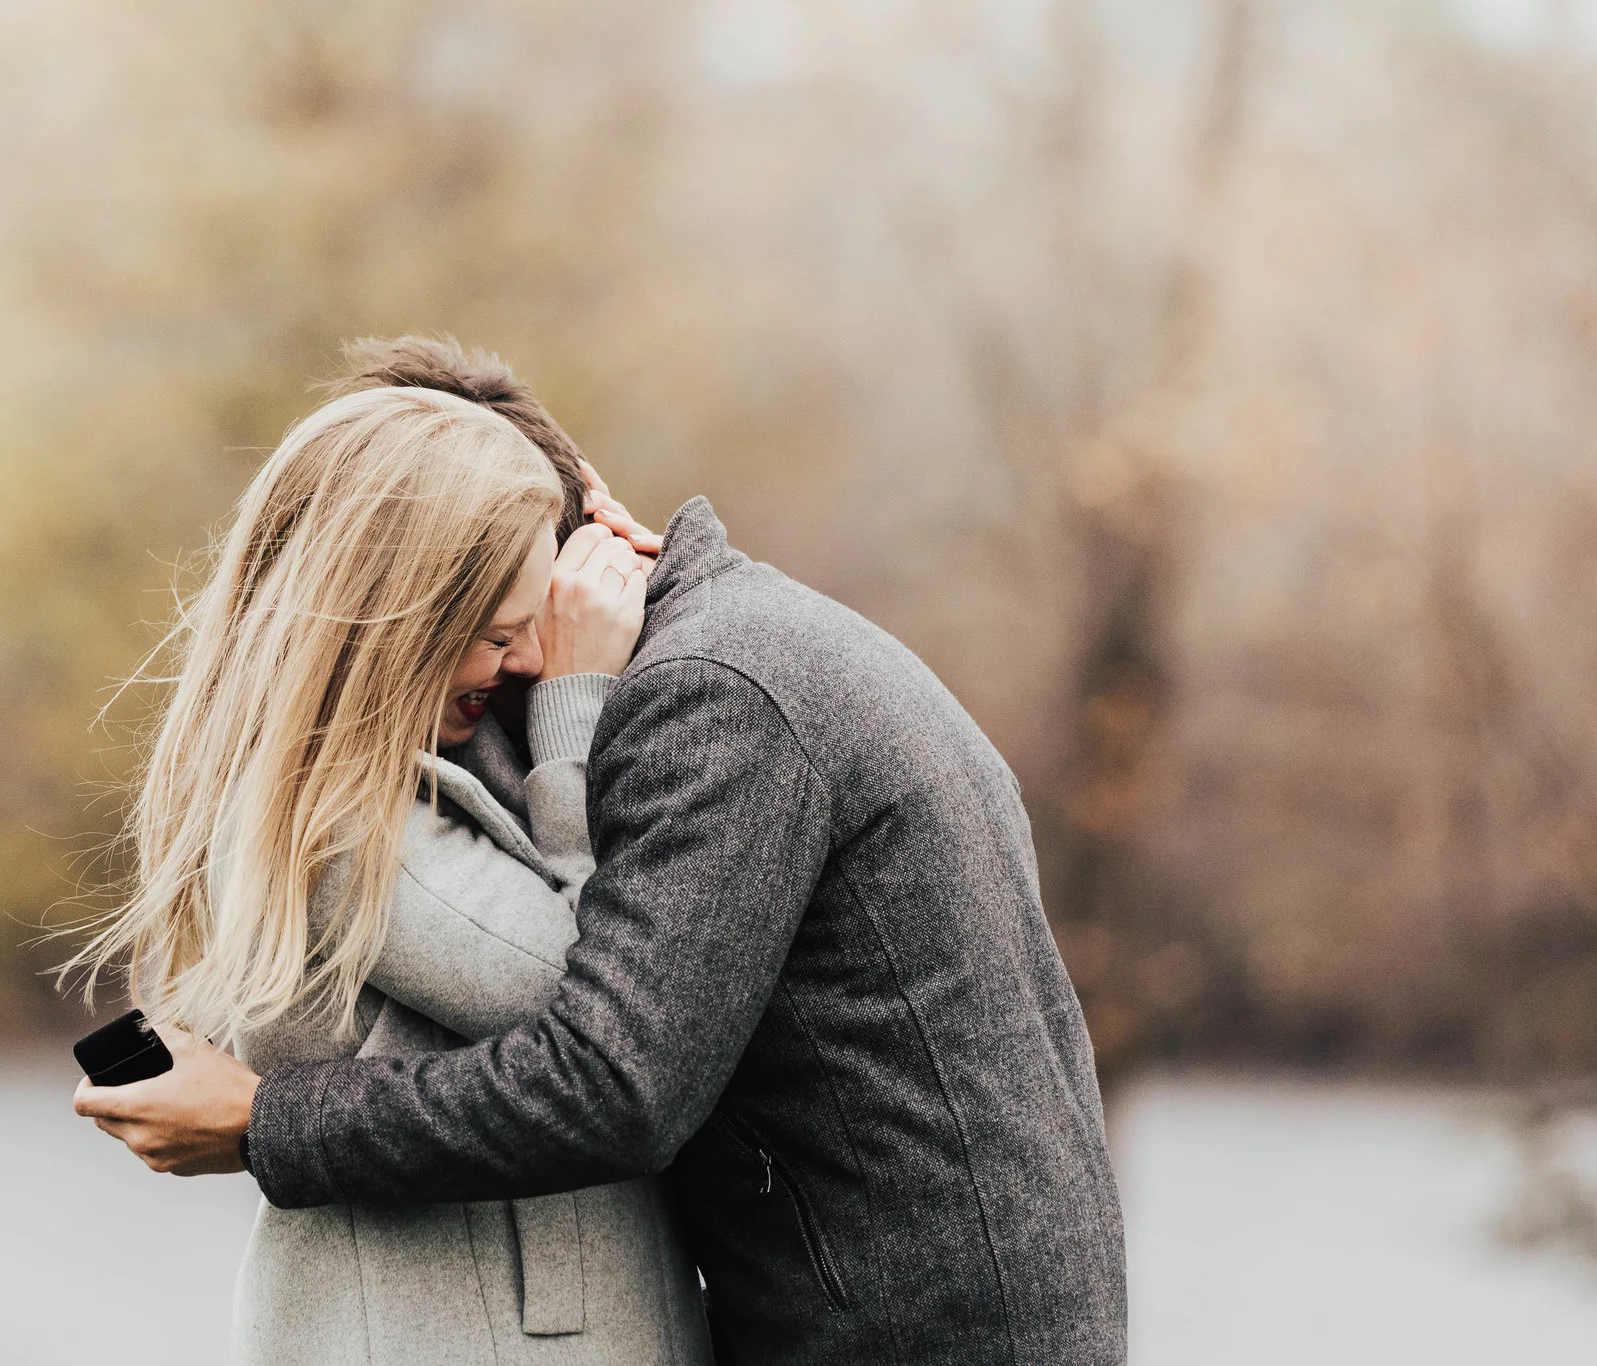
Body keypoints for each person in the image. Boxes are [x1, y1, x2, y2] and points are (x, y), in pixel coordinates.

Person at [80, 337, 1129, 1366]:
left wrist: (269, 1122)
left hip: (904, 1336)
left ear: (578, 527)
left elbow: (608, 1073)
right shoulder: (760, 644)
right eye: (487, 629)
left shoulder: (712, 694)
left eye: (513, 616)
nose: (526, 656)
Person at [61, 377, 711, 1364]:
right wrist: (580, 699)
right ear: (392, 627)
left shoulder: (349, 785)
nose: (529, 657)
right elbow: (593, 991)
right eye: (499, 634)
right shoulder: (335, 824)